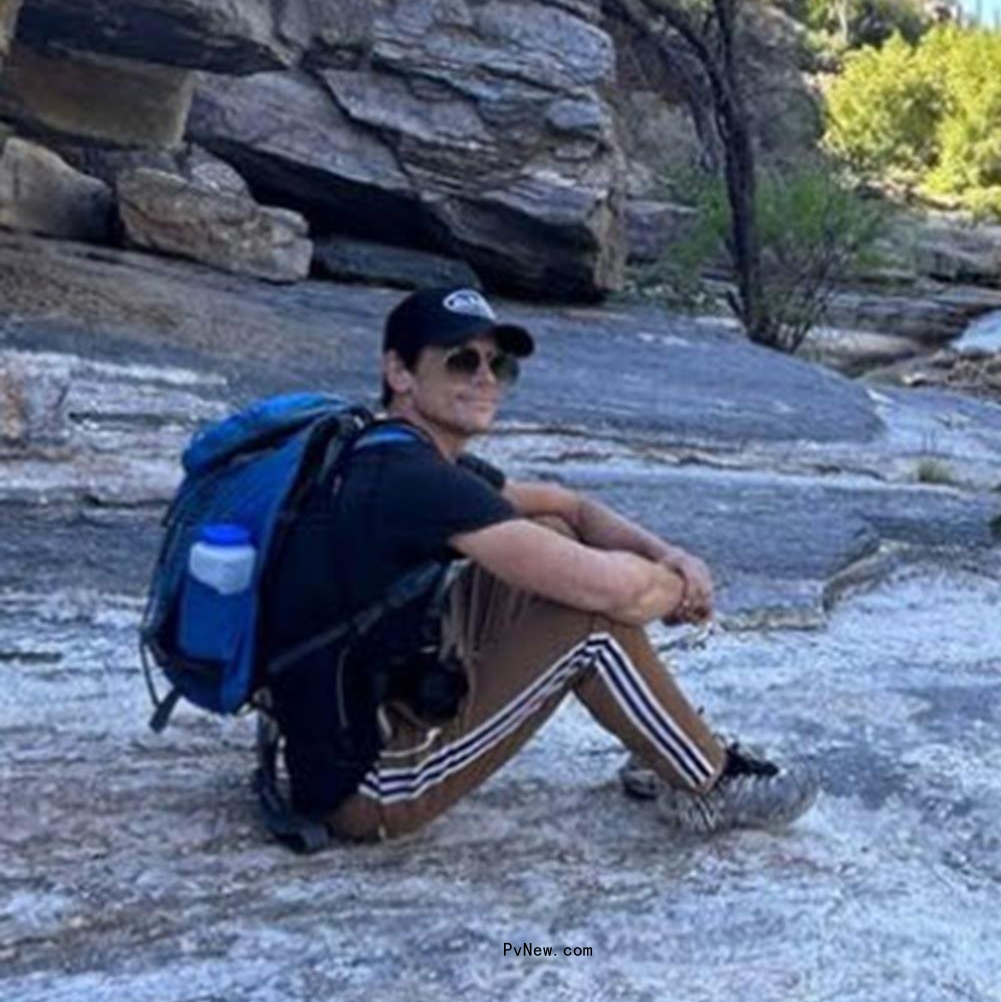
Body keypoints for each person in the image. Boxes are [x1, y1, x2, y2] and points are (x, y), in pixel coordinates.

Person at [260, 284, 816, 844]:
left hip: (350, 721)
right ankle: (708, 784)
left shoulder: (390, 451)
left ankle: (660, 746)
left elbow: (566, 504)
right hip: (369, 785)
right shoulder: (414, 481)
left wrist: (670, 556)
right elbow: (616, 595)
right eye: (461, 360)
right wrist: (684, 589)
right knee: (589, 620)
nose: (486, 378)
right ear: (400, 373)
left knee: (550, 535)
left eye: (498, 364)